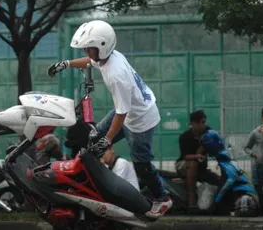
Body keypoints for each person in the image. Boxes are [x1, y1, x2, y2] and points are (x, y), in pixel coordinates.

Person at [47, 20, 172, 219]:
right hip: (128, 110)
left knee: (141, 163)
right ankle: (92, 185)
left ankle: (162, 198)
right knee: (94, 137)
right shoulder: (107, 56)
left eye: (89, 47)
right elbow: (89, 62)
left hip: (140, 119)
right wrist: (67, 64)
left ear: (102, 47)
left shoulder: (116, 75)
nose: (87, 51)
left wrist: (108, 140)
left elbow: (122, 114)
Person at [175, 110, 221, 208]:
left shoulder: (208, 133)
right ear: (192, 123)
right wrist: (197, 156)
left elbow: (216, 144)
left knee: (217, 180)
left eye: (203, 122)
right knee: (193, 163)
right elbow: (185, 156)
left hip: (201, 167)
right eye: (198, 123)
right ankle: (191, 197)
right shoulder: (185, 137)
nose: (201, 125)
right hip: (183, 165)